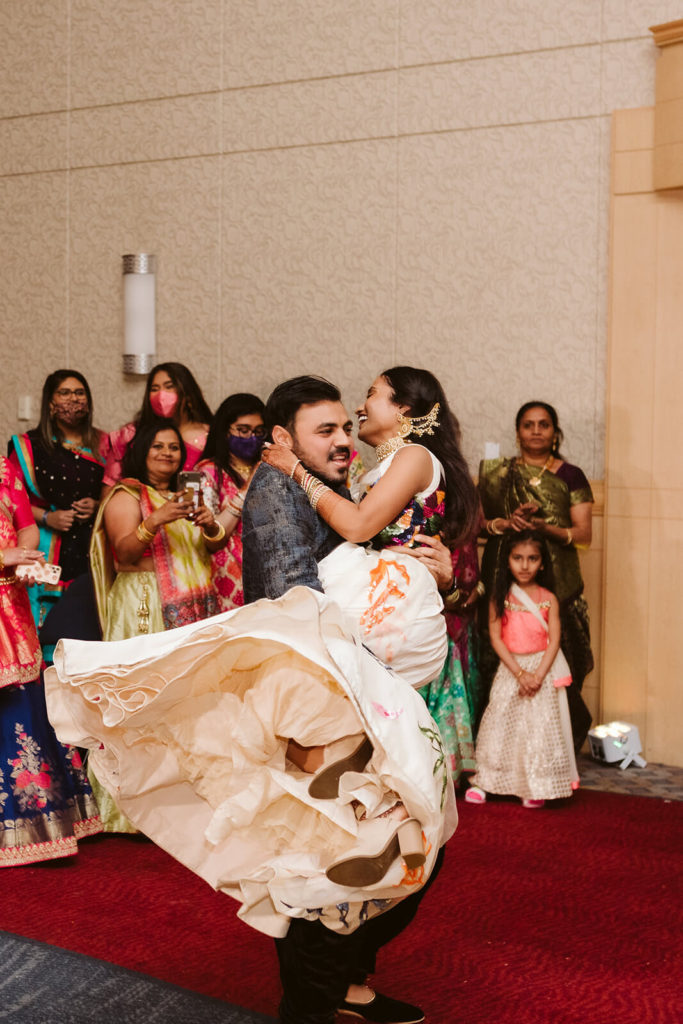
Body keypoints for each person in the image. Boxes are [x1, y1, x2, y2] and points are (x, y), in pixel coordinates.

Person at [46, 375, 456, 1024]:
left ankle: (347, 987)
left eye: (345, 427)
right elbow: (297, 600)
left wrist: (428, 571)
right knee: (330, 859)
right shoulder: (275, 493)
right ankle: (310, 1005)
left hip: (358, 683)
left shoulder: (324, 484)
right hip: (315, 691)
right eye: (326, 431)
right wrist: (312, 725)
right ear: (283, 439)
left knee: (402, 843)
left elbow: (368, 559)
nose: (343, 439)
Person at [261, 366, 480, 690]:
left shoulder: (415, 456)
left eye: (371, 394)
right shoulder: (376, 472)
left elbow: (358, 526)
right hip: (382, 606)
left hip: (396, 617)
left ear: (402, 407)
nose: (360, 407)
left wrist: (297, 472)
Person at [87, 418, 223, 830]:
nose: (167, 453)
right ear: (142, 450)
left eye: (174, 448)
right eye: (158, 447)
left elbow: (212, 545)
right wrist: (157, 519)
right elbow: (124, 552)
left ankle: (183, 806)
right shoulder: (125, 494)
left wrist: (208, 522)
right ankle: (128, 814)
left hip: (191, 607)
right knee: (139, 702)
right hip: (145, 602)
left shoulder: (188, 493)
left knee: (187, 704)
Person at [0, 455, 101, 865]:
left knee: (24, 702)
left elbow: (26, 526)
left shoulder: (5, 470)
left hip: (10, 603)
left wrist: (24, 557)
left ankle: (40, 822)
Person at [478, 401, 593, 749]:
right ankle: (503, 750)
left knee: (563, 665)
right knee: (498, 665)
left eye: (544, 424)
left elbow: (584, 535)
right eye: (529, 425)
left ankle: (555, 751)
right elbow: (479, 526)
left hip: (559, 584)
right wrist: (505, 523)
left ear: (555, 432)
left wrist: (545, 527)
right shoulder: (497, 473)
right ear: (518, 432)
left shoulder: (570, 475)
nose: (536, 431)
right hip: (505, 581)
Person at [466, 529, 579, 807]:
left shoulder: (548, 598)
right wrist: (519, 673)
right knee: (500, 722)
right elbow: (495, 636)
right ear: (507, 560)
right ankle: (486, 781)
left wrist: (538, 675)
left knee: (538, 728)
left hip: (541, 668)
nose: (525, 565)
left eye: (532, 559)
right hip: (511, 668)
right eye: (518, 558)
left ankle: (535, 784)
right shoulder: (499, 596)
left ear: (542, 562)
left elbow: (554, 640)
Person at [8, 370, 109, 643]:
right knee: (45, 625)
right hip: (44, 540)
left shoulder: (105, 444)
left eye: (79, 393)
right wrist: (48, 517)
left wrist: (98, 505)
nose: (73, 399)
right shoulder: (27, 445)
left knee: (88, 623)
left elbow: (118, 489)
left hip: (91, 544)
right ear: (50, 402)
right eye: (64, 393)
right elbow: (12, 499)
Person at [198, 393, 266, 611]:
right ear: (225, 431)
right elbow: (211, 539)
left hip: (266, 572)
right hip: (224, 578)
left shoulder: (271, 469)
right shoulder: (208, 472)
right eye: (243, 430)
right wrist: (246, 490)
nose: (251, 437)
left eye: (258, 431)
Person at [103, 362, 212, 489]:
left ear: (187, 393)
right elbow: (110, 486)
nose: (161, 395)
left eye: (169, 387)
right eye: (154, 389)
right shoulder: (131, 434)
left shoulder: (209, 436)